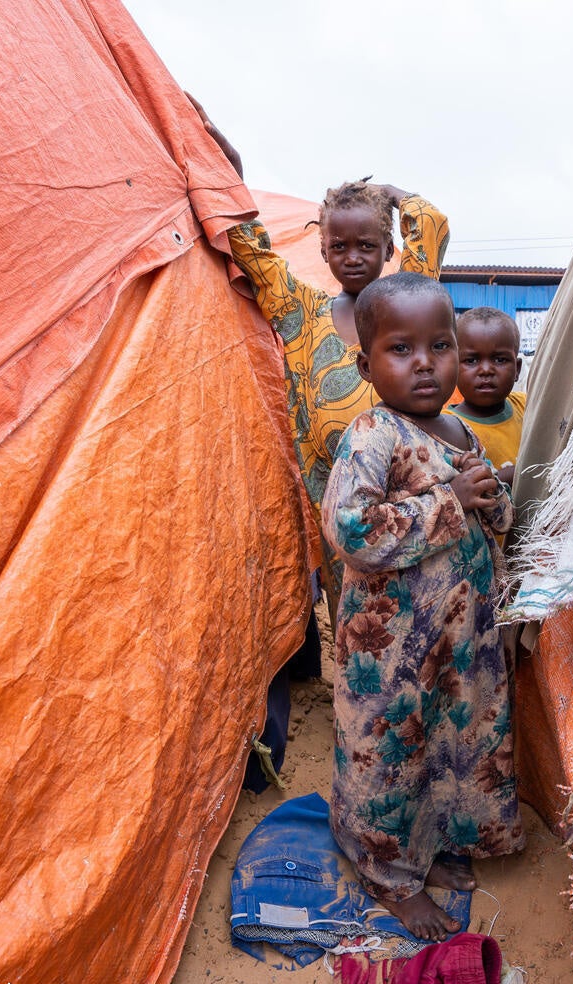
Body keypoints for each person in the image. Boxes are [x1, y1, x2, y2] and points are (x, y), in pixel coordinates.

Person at [321, 273, 524, 940]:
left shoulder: (462, 430)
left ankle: (429, 850)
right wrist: (450, 502)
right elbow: (352, 531)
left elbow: (488, 517)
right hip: (391, 654)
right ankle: (389, 876)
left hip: (456, 643)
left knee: (448, 747)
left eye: (440, 347)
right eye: (401, 349)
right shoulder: (372, 434)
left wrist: (492, 499)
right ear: (366, 363)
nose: (426, 363)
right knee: (389, 758)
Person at [225, 178, 450, 514]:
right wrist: (232, 177)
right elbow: (249, 250)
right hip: (345, 515)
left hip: (422, 505)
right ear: (323, 252)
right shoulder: (303, 313)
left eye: (367, 246)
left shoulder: (407, 304)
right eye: (339, 247)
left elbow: (431, 223)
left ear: (389, 249)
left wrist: (389, 193)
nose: (353, 257)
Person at [448, 307, 526, 489]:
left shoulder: (526, 406)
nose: (486, 370)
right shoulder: (448, 426)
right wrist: (528, 469)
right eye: (471, 360)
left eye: (499, 360)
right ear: (453, 368)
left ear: (518, 369)